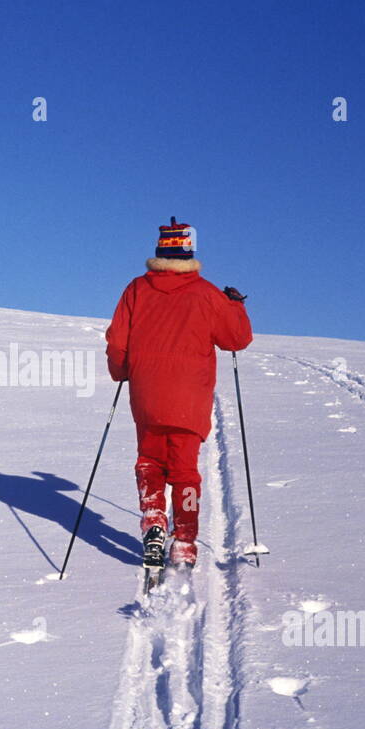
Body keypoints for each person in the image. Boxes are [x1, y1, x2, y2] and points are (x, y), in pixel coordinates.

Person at [104, 218, 252, 580]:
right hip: (190, 398)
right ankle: (184, 541)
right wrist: (234, 305)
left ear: (160, 250)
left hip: (147, 394)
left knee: (149, 461)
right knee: (185, 470)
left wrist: (122, 371)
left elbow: (117, 341)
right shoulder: (206, 293)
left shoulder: (137, 289)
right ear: (190, 250)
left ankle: (153, 521)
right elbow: (236, 339)